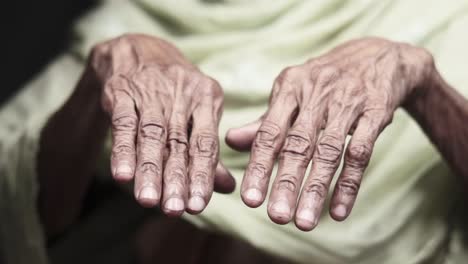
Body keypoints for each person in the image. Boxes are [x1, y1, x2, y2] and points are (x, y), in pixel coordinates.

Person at [1, 0, 468, 263]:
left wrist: (427, 89)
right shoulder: (148, 12)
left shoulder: (447, 16)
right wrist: (100, 76)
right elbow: (24, 207)